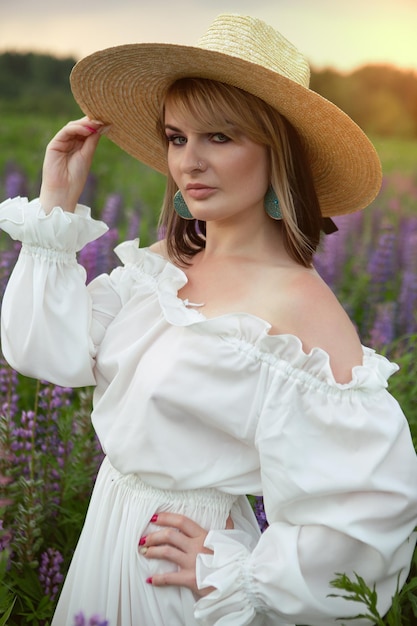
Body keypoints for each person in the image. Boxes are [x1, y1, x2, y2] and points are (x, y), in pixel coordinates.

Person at [1, 12, 416, 626]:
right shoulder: (162, 268)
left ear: (280, 153)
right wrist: (56, 203)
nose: (189, 162)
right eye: (176, 137)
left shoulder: (297, 305)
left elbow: (370, 512)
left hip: (179, 578)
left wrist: (236, 571)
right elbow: (44, 352)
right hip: (104, 545)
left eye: (220, 138)